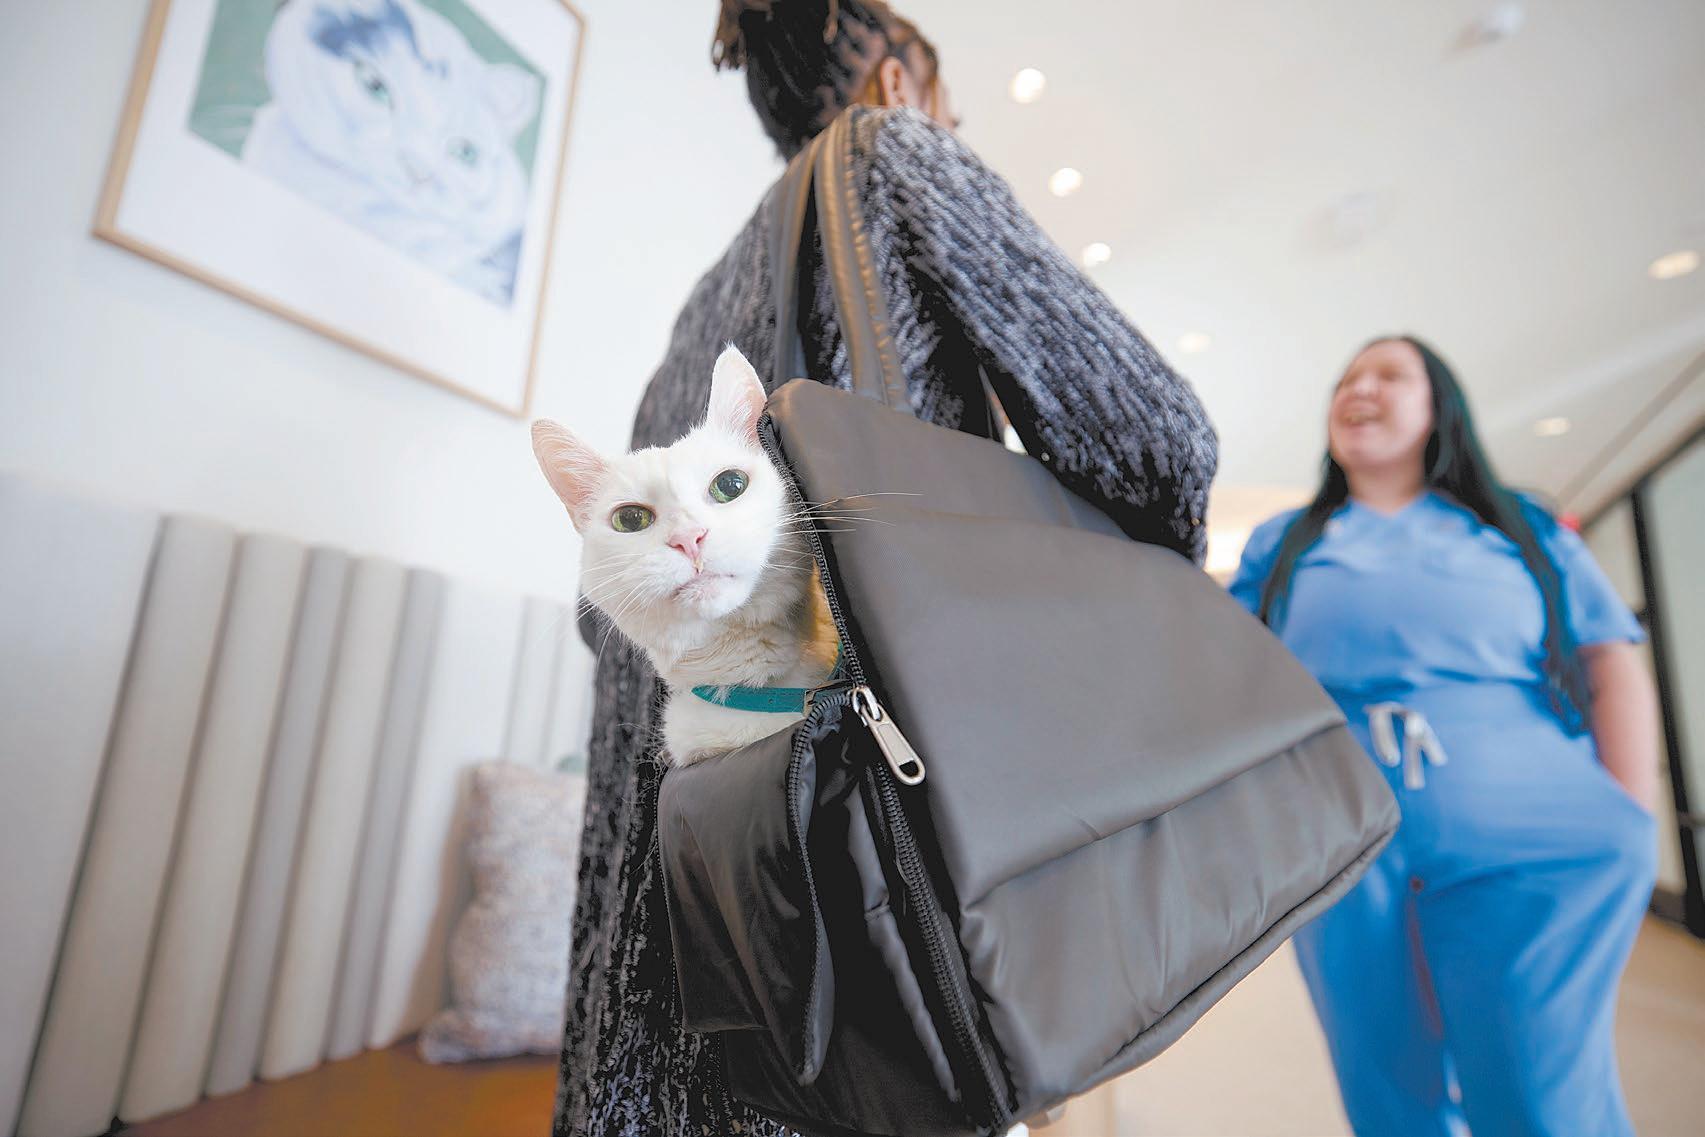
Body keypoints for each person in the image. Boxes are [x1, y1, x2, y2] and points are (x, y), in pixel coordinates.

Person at [552, 2, 1218, 1133]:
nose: (952, 129)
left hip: (666, 905)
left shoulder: (697, 314)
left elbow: (601, 614)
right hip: (846, 887)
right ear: (904, 88)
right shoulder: (898, 155)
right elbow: (1156, 438)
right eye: (951, 110)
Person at [1229, 336, 1659, 1136]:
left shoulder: (1521, 525)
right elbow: (1230, 674)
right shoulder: (1281, 541)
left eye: (1389, 375)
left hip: (1532, 839)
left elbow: (1607, 657)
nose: (1358, 389)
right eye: (1345, 379)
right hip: (1340, 846)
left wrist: (1630, 811)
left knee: (1536, 1089)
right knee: (1384, 1087)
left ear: (1438, 408)